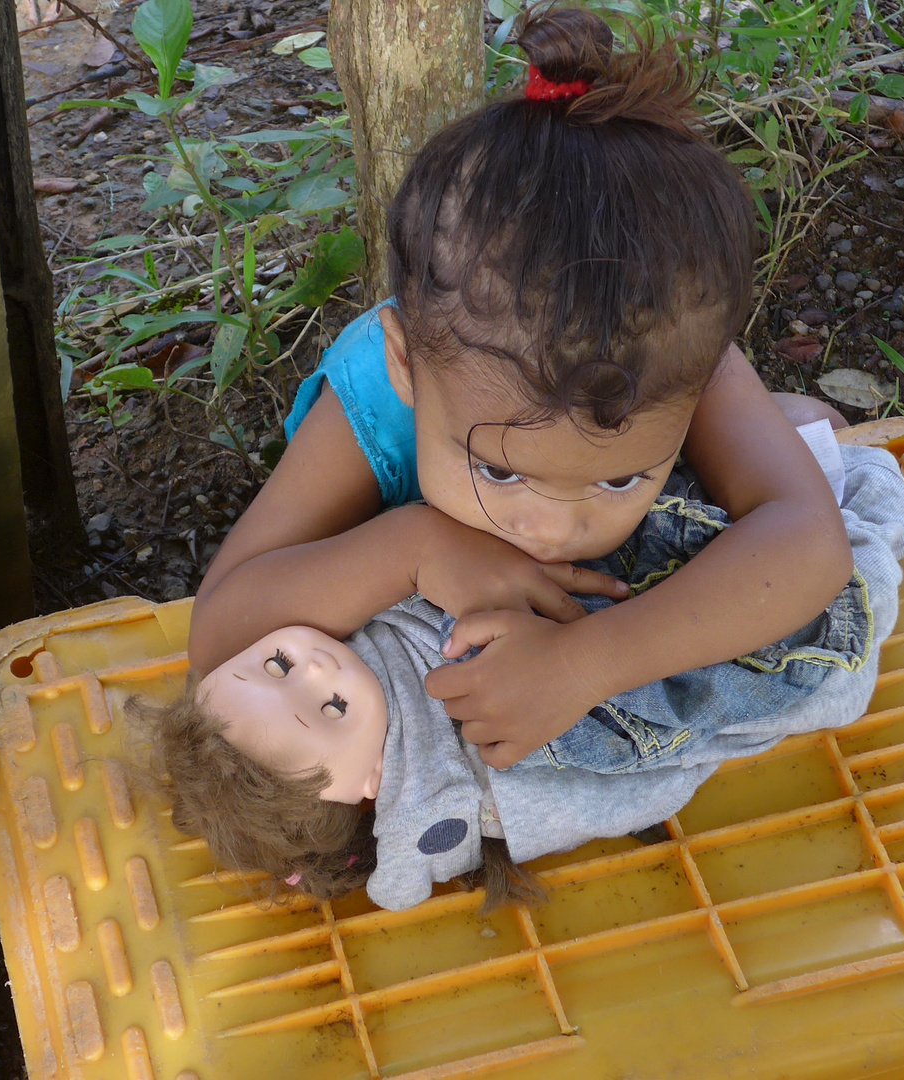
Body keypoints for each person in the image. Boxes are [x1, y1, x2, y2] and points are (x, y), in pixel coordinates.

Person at [187, 7, 857, 782]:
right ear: (408, 366)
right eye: (501, 472)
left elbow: (811, 546)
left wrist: (587, 663)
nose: (555, 529)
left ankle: (770, 431)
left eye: (616, 478)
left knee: (816, 440)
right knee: (800, 438)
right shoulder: (379, 395)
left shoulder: (663, 341)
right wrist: (414, 547)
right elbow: (217, 634)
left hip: (602, 608)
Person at [135, 442, 904, 913]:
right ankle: (851, 508)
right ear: (374, 777)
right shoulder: (478, 771)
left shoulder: (313, 634)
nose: (311, 666)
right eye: (330, 706)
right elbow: (653, 759)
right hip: (715, 626)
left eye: (273, 665)